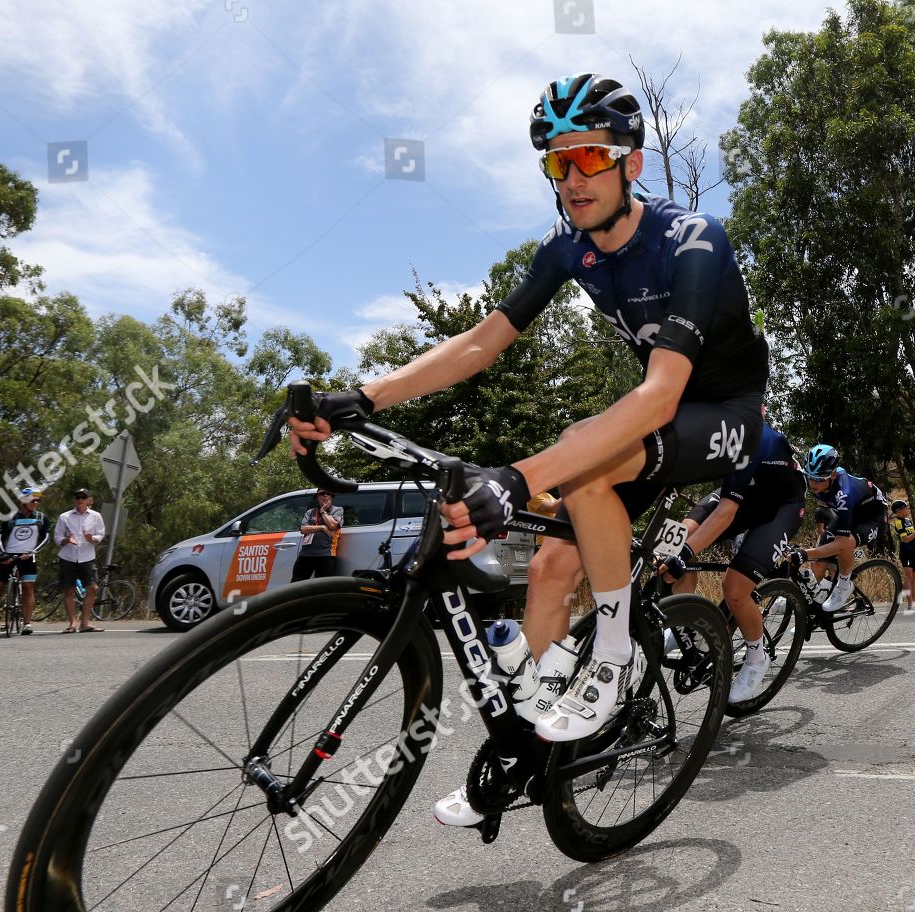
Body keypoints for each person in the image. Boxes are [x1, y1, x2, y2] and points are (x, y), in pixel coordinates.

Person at [288, 73, 766, 788]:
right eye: (557, 161)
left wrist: (518, 480)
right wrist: (363, 396)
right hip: (652, 415)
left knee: (587, 460)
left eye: (591, 158)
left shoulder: (692, 239)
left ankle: (612, 656)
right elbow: (483, 343)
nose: (573, 178)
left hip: (723, 412)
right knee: (546, 568)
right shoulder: (568, 247)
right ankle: (543, 753)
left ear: (631, 164)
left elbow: (663, 393)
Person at [657, 420, 806, 703]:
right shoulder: (700, 425)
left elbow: (726, 511)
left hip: (780, 506)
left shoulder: (748, 437)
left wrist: (684, 553)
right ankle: (688, 626)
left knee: (735, 589)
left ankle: (756, 657)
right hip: (744, 491)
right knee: (672, 543)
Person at [794, 445, 890, 612]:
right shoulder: (817, 482)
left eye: (820, 479)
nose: (814, 483)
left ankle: (844, 585)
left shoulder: (843, 492)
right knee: (818, 563)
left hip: (873, 517)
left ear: (833, 474)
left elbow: (841, 543)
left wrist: (805, 553)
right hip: (852, 512)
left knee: (844, 545)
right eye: (811, 477)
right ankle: (812, 608)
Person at [0, 487, 49, 635]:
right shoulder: (10, 517)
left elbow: (46, 538)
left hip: (28, 557)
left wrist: (33, 552)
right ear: (23, 501)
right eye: (32, 500)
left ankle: (27, 623)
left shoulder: (42, 518)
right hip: (9, 556)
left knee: (28, 588)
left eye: (38, 500)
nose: (35, 503)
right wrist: (3, 554)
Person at [55, 488, 106, 633]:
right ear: (74, 500)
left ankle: (85, 623)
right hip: (68, 557)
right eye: (77, 496)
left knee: (92, 588)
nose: (80, 499)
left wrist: (93, 539)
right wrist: (66, 539)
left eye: (83, 497)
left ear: (89, 500)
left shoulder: (96, 516)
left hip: (87, 557)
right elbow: (57, 537)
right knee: (68, 590)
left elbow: (100, 533)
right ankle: (72, 624)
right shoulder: (64, 517)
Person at [292, 490, 344, 581]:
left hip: (326, 554)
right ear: (317, 497)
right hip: (306, 555)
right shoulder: (310, 512)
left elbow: (332, 525)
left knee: (322, 587)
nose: (325, 496)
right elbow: (303, 529)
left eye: (328, 494)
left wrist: (322, 511)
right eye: (322, 494)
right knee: (296, 584)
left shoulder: (338, 510)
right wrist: (322, 527)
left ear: (331, 497)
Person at [889, 499, 915, 612]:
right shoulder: (899, 522)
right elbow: (905, 539)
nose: (908, 509)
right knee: (908, 578)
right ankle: (910, 604)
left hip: (912, 552)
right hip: (905, 553)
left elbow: (912, 534)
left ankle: (914, 602)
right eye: (905, 508)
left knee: (912, 579)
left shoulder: (908, 520)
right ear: (899, 511)